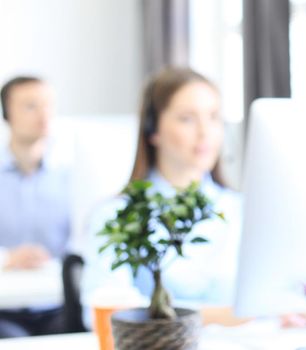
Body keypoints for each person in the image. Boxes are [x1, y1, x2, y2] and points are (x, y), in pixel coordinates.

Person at [81, 67, 242, 325]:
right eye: (187, 119)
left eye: (213, 117)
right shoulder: (117, 215)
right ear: (152, 129)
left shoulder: (241, 210)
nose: (205, 132)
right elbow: (103, 311)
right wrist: (223, 317)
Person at [0, 76, 72, 337]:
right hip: (5, 308)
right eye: (30, 106)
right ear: (7, 113)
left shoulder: (71, 174)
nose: (44, 114)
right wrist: (8, 258)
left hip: (60, 306)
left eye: (48, 105)